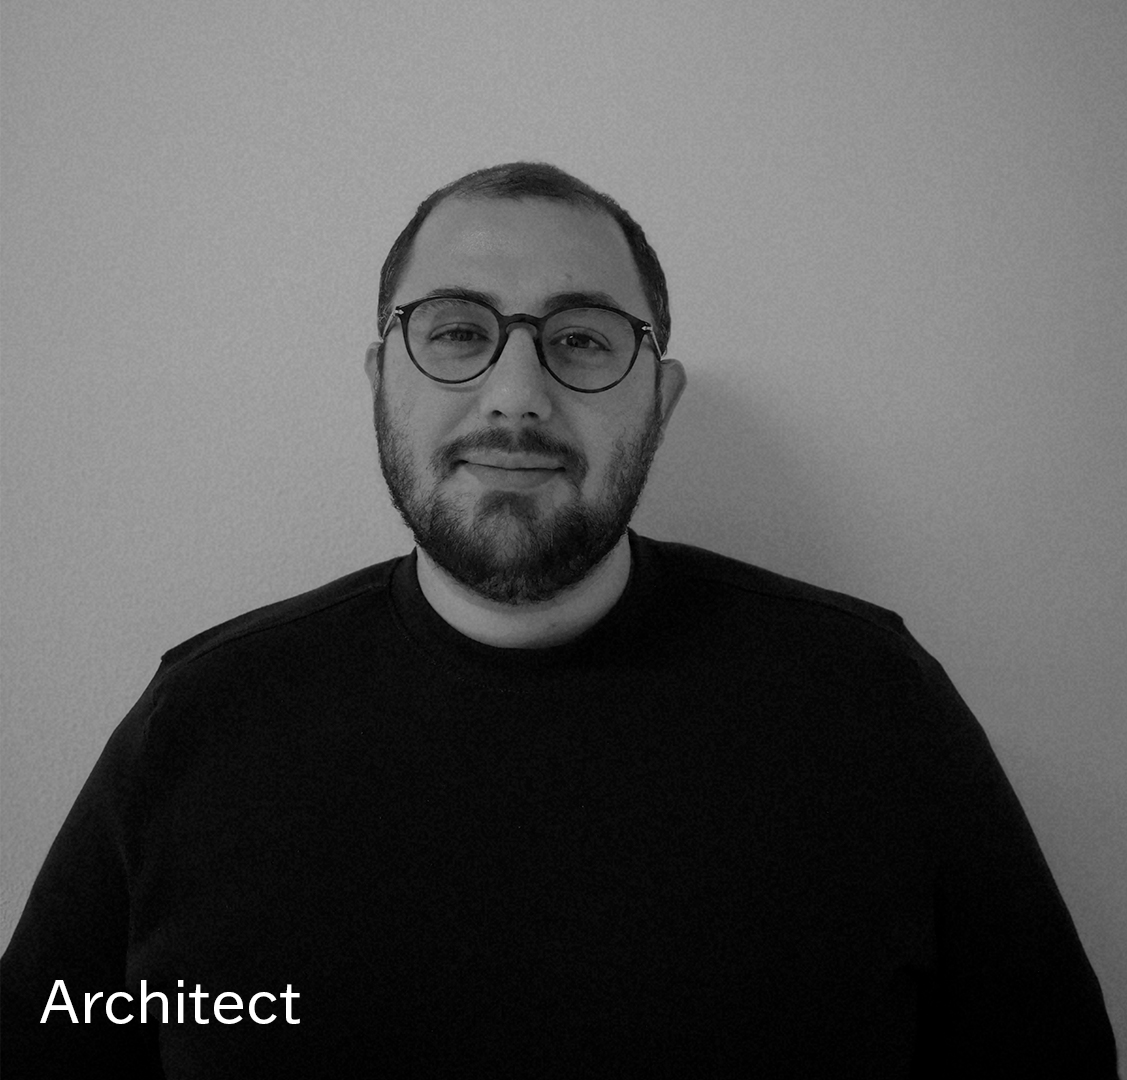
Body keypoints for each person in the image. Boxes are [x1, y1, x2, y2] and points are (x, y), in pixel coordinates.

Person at [1, 161, 1117, 1078]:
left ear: (659, 399)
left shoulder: (868, 702)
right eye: (456, 332)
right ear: (381, 380)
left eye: (581, 339)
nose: (515, 394)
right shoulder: (203, 719)